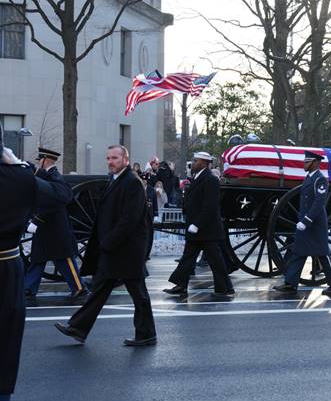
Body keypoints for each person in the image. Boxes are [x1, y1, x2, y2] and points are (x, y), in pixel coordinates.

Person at [0, 123, 73, 401]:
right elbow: (61, 195)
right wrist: (18, 164)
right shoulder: (20, 178)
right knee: (4, 349)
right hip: (6, 268)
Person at [54, 145, 157, 347]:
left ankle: (146, 334)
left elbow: (130, 219)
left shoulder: (132, 182)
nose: (111, 161)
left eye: (115, 158)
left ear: (126, 160)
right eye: (108, 158)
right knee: (102, 291)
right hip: (117, 249)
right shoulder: (116, 180)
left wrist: (108, 242)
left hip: (126, 250)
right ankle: (78, 328)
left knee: (138, 295)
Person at [273, 151, 331, 296]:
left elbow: (319, 203)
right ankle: (291, 283)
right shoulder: (310, 178)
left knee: (323, 253)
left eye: (307, 162)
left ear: (316, 163)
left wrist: (307, 220)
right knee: (299, 251)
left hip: (315, 223)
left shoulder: (320, 179)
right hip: (305, 222)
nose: (304, 164)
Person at [163, 152, 234, 297]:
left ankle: (225, 288)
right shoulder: (197, 177)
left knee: (216, 260)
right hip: (197, 228)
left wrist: (197, 224)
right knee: (188, 258)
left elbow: (210, 206)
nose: (193, 163)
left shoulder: (211, 179)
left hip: (207, 229)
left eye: (195, 161)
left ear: (204, 162)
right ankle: (180, 285)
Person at [23, 148, 88, 300]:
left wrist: (37, 220)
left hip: (56, 227)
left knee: (64, 259)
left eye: (40, 160)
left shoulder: (55, 177)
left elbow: (57, 201)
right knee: (38, 259)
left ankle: (79, 287)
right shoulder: (48, 176)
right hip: (46, 228)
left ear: (46, 160)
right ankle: (29, 288)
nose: (39, 163)